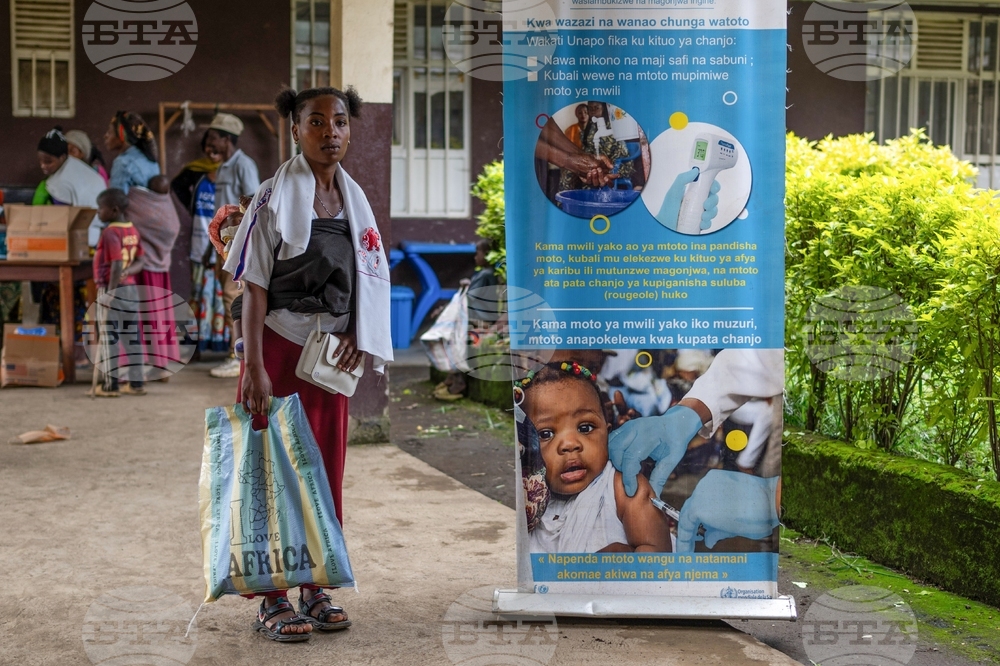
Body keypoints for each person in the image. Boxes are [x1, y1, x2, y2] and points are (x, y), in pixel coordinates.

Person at [223, 86, 392, 641]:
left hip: (329, 359)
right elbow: (253, 287)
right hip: (278, 348)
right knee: (272, 473)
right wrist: (254, 367)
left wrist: (358, 333)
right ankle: (272, 597)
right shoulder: (272, 198)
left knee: (323, 472)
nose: (330, 132)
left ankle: (315, 585)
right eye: (316, 122)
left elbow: (367, 278)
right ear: (294, 130)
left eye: (339, 122)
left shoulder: (354, 201)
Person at [519, 361, 671, 553]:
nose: (570, 444)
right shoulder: (529, 495)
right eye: (545, 434)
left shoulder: (623, 488)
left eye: (585, 428)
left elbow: (658, 555)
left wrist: (625, 560)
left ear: (607, 433)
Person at [206, 113, 261, 379]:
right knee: (229, 295)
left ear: (226, 139)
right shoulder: (224, 166)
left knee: (234, 295)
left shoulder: (243, 164)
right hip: (225, 242)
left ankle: (236, 355)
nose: (210, 144)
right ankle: (236, 352)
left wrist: (240, 243)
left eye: (213, 138)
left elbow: (252, 204)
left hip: (239, 243)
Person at [91, 188, 145, 397]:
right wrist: (128, 271)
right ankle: (136, 383)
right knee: (132, 337)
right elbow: (140, 261)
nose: (98, 212)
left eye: (100, 208)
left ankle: (110, 386)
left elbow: (115, 264)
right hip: (130, 290)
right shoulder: (132, 230)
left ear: (113, 210)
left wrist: (110, 293)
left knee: (109, 337)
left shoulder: (110, 232)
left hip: (111, 288)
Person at [33, 127, 107, 248]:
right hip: (96, 236)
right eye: (40, 161)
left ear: (62, 157)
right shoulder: (83, 171)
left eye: (48, 161)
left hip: (77, 239)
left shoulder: (59, 182)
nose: (43, 166)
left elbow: (60, 219)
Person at [105, 111, 161, 194]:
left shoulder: (123, 163)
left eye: (110, 132)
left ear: (122, 136)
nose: (106, 136)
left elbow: (116, 199)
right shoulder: (151, 159)